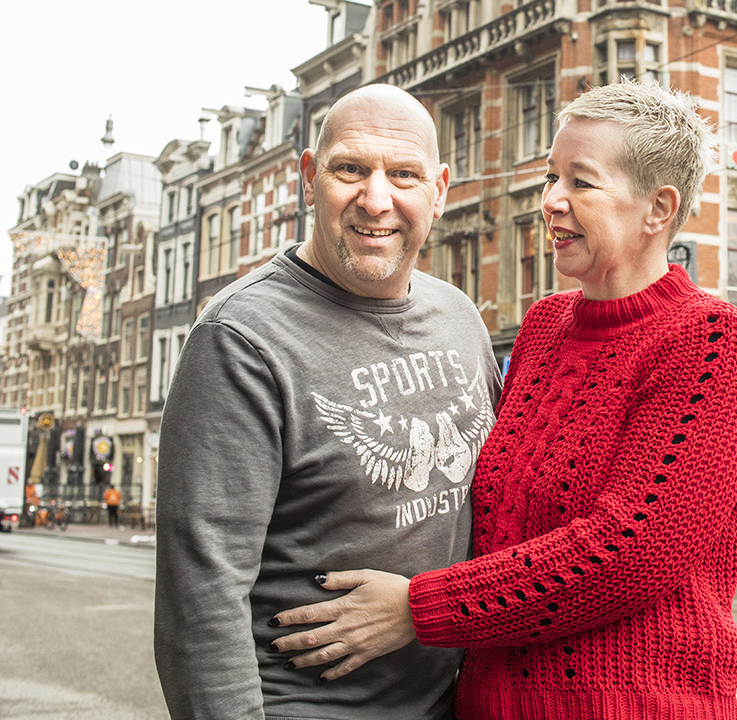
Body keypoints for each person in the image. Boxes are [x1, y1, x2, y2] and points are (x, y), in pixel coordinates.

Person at [271, 82, 737, 719]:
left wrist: (418, 608)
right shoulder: (543, 327)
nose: (551, 201)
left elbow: (631, 551)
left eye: (580, 182)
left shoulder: (710, 341)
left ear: (658, 209)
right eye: (551, 176)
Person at [153, 84, 502, 720]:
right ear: (310, 179)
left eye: (404, 174)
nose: (377, 200)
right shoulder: (242, 337)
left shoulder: (459, 316)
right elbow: (201, 594)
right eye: (350, 169)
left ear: (441, 190)